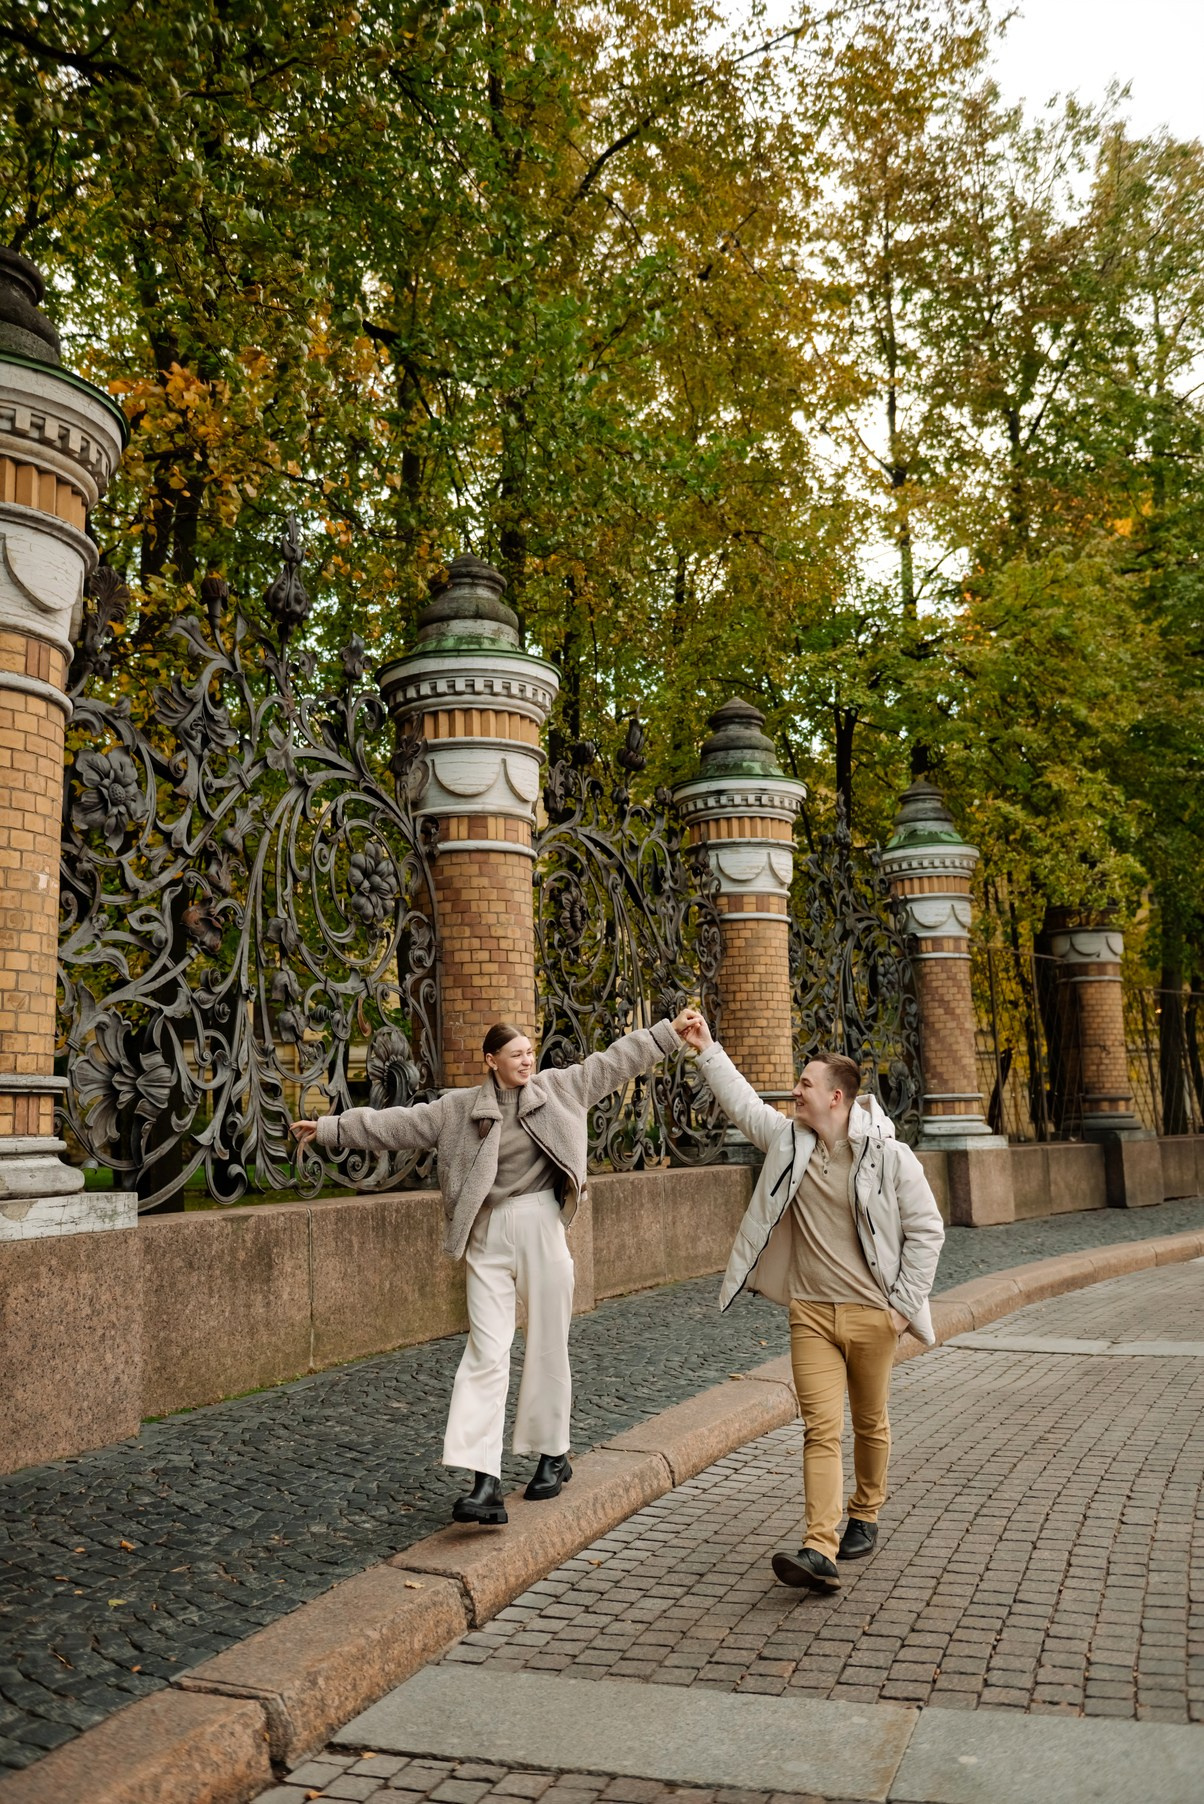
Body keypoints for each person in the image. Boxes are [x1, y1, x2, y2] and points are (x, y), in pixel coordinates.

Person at [290, 1011, 693, 1526]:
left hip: (541, 1226)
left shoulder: (559, 1088)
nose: (528, 1060)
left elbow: (617, 1061)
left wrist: (667, 1032)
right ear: (491, 1061)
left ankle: (553, 1455)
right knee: (485, 1352)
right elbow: (397, 1125)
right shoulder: (459, 1109)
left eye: (530, 1052)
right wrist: (329, 1127)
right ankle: (484, 1481)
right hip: (484, 1236)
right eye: (517, 1054)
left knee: (548, 1340)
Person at [677, 1015, 944, 1593]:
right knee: (820, 1429)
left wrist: (900, 1310)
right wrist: (705, 1049)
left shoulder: (889, 1157)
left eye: (804, 1083)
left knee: (870, 1423)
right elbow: (745, 1105)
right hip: (812, 1315)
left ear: (835, 1096)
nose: (794, 1091)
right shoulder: (789, 1142)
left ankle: (866, 1512)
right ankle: (818, 1547)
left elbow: (928, 1231)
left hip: (874, 1314)